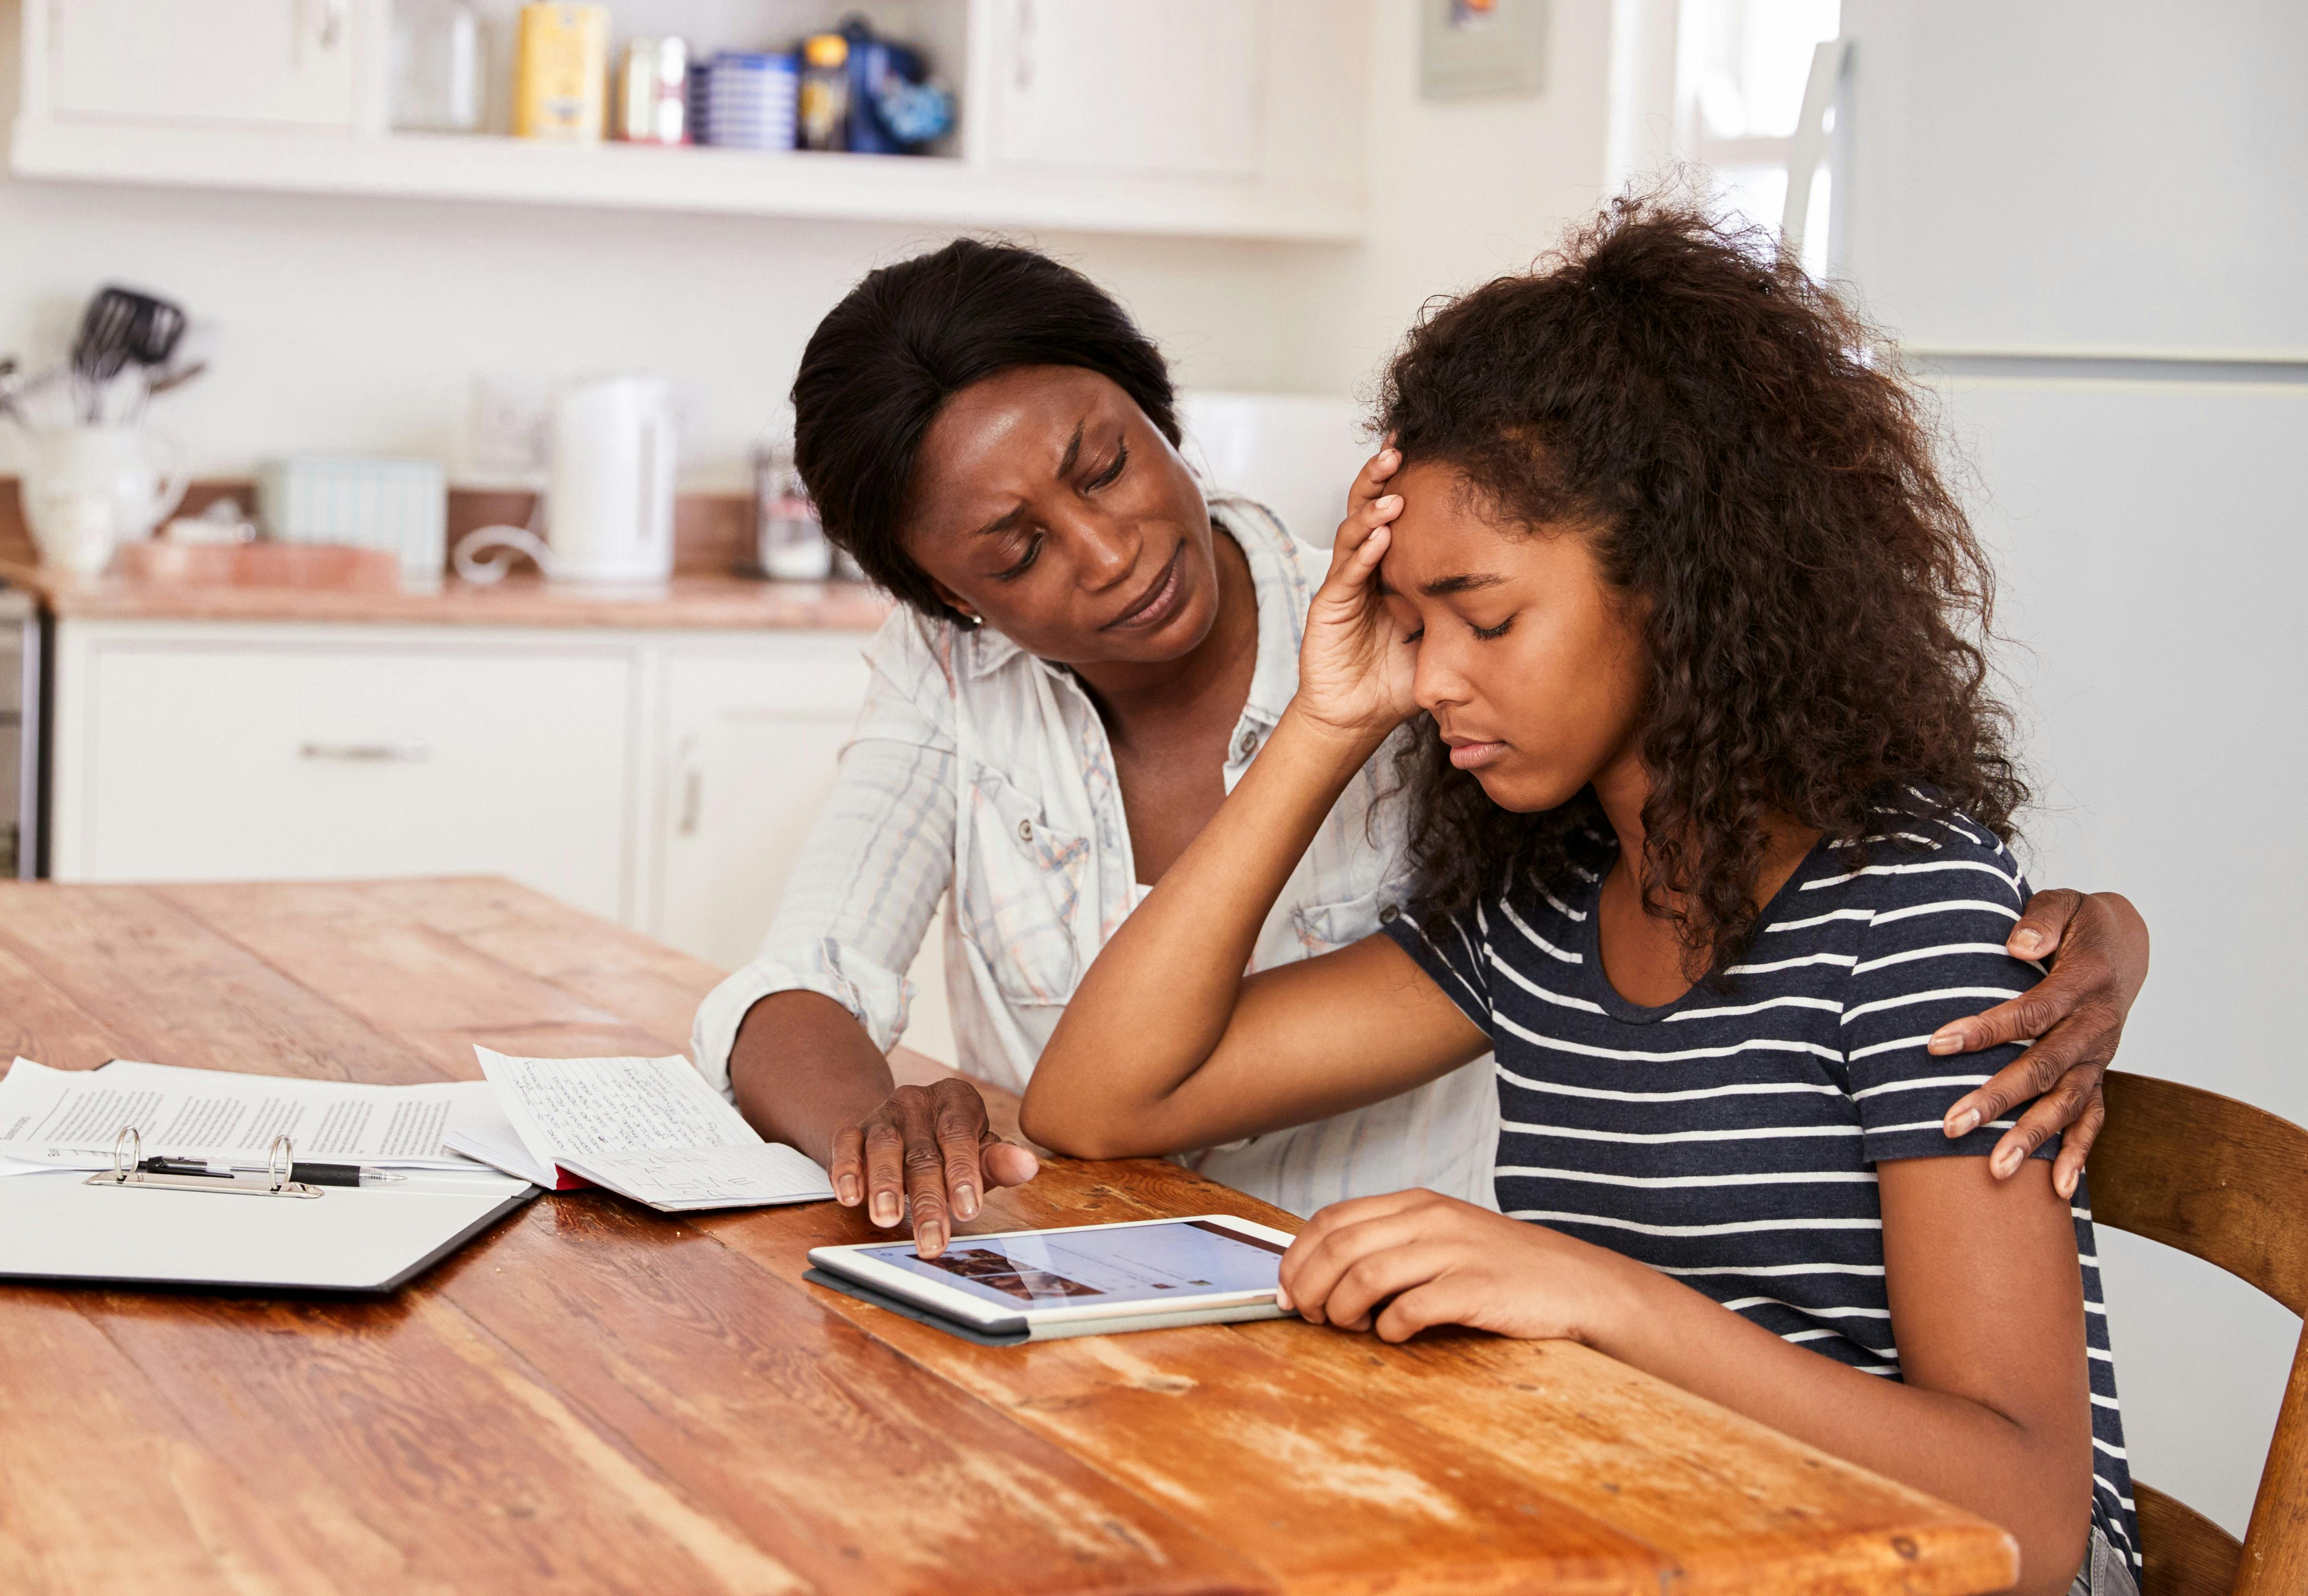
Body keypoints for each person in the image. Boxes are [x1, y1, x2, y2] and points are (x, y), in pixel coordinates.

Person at [1020, 201, 2138, 1596]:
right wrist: (1324, 722)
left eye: (1484, 620)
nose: (1431, 682)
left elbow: (2032, 1522)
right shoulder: (1545, 912)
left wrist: (1594, 1299)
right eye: (1412, 628)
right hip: (1677, 1541)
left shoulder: (1904, 914)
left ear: (1678, 586)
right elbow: (1094, 1104)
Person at [691, 237, 2151, 1261]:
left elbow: (1791, 842)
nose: (1111, 548)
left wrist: (2094, 934)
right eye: (1016, 550)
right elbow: (851, 1001)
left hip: (1419, 1334)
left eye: (1108, 463)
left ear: (1155, 410)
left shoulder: (1438, 632)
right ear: (957, 598)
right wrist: (883, 1131)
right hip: (1151, 1314)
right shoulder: (964, 683)